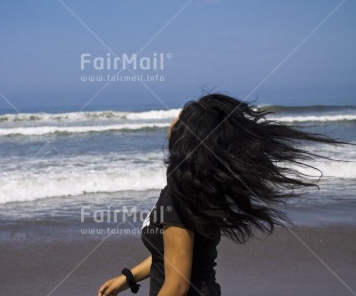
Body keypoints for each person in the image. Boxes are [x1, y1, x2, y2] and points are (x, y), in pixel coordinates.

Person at [98, 93, 344, 296]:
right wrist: (126, 278)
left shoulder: (177, 198)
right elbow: (173, 255)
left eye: (181, 118)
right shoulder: (198, 190)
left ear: (187, 137)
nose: (174, 119)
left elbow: (177, 285)